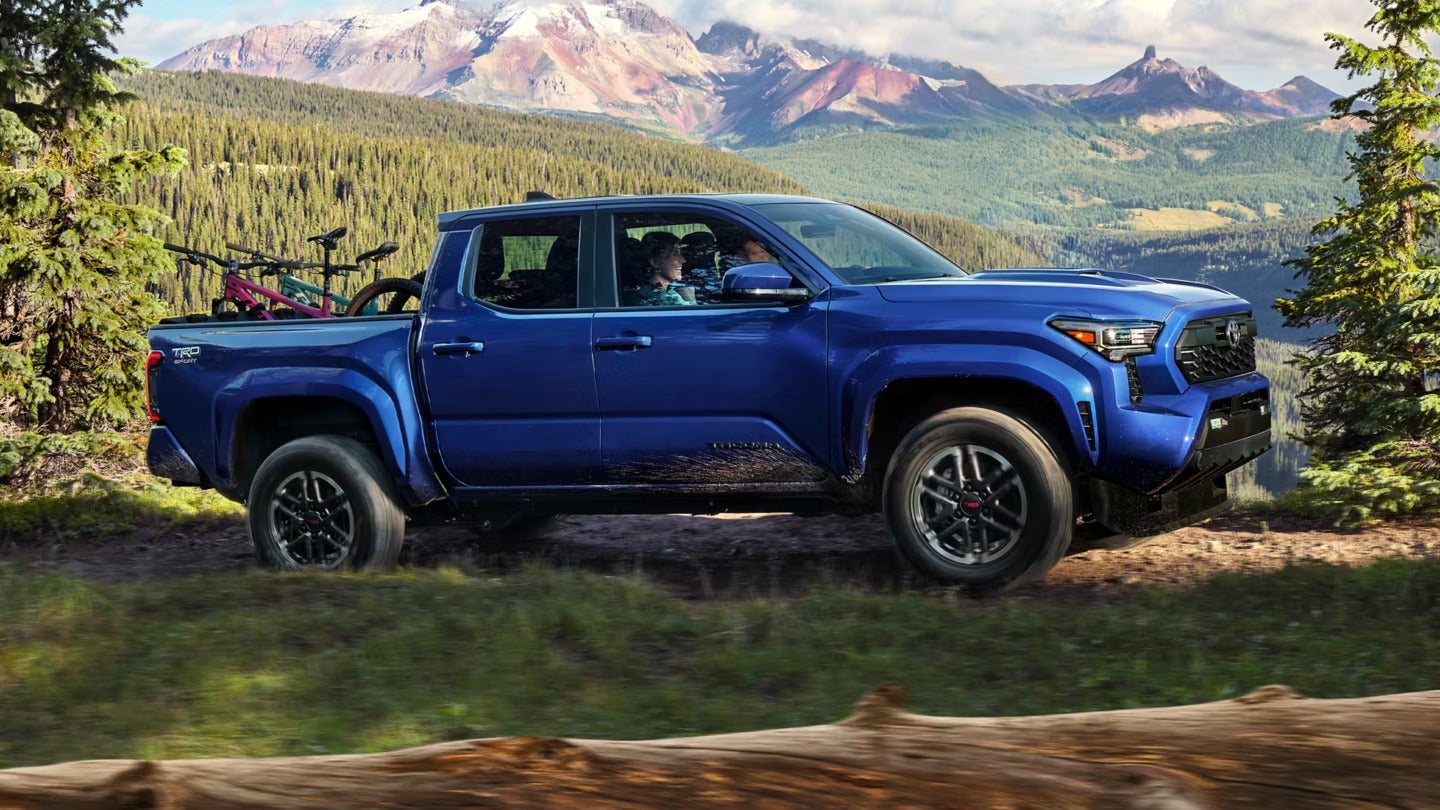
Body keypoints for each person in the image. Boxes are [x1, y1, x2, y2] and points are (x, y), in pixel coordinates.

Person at [625, 231, 695, 306]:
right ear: (655, 262)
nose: (683, 260)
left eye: (680, 254)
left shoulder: (670, 291)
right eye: (674, 254)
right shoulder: (646, 299)